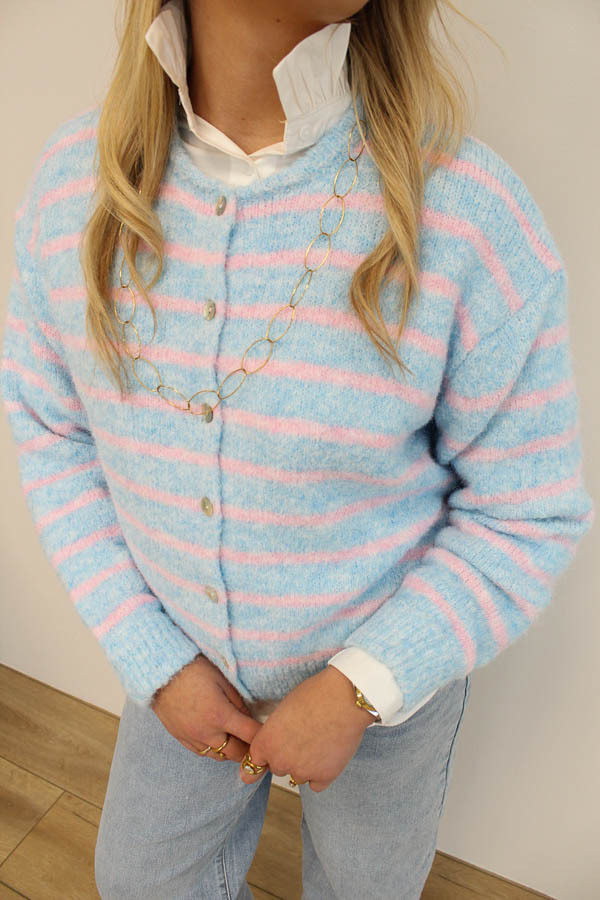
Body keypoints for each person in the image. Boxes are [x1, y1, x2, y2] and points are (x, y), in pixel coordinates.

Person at [1, 0, 594, 897]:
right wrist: (151, 656)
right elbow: (53, 433)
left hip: (394, 691)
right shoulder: (69, 193)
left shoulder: (466, 214)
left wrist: (364, 685)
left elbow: (527, 510)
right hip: (173, 662)